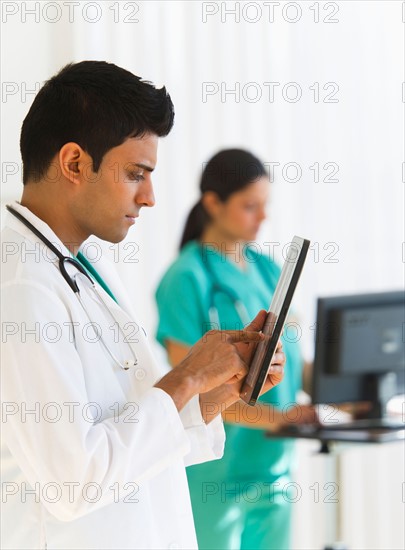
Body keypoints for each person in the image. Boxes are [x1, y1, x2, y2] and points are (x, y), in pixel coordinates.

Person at [0, 63, 286, 550]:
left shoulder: (85, 263)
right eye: (136, 174)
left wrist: (217, 394)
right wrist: (189, 375)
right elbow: (75, 481)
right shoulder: (21, 287)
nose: (150, 198)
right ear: (73, 163)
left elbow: (131, 421)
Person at [155, 149, 316, 550]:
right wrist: (280, 419)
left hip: (275, 470)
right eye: (250, 206)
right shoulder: (185, 279)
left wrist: (350, 392)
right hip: (217, 476)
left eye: (265, 206)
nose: (262, 218)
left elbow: (294, 364)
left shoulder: (268, 271)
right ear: (213, 203)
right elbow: (190, 391)